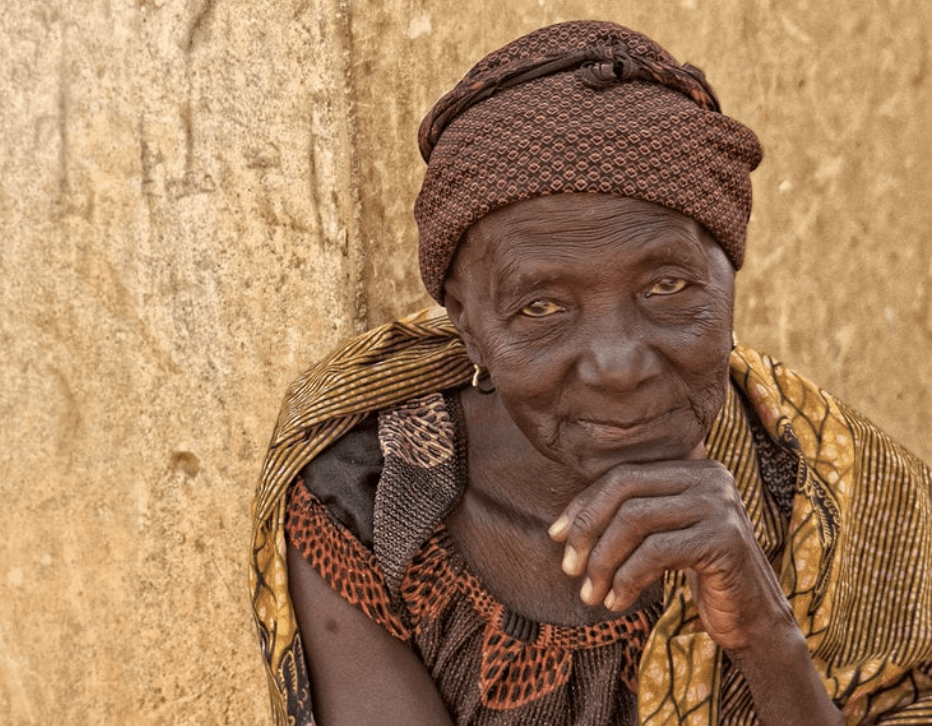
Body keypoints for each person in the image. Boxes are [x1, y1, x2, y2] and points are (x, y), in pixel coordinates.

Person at [249, 20, 932, 725]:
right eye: (541, 307)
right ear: (468, 326)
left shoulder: (836, 491)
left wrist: (766, 635)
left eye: (667, 287)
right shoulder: (369, 494)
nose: (618, 366)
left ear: (730, 276)